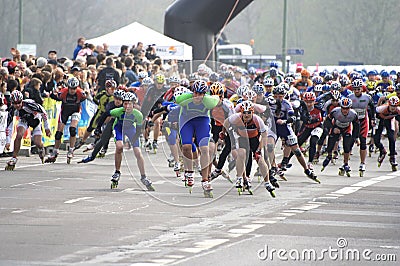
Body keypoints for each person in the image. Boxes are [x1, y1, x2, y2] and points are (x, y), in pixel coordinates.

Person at [223, 100, 277, 197]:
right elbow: (226, 122)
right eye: (244, 113)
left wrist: (259, 149)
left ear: (253, 112)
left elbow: (264, 136)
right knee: (241, 154)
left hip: (254, 139)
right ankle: (240, 178)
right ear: (241, 112)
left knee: (260, 159)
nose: (246, 115)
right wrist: (223, 133)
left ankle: (267, 182)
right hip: (242, 138)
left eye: (249, 113)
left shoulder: (257, 120)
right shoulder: (236, 117)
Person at [175, 80, 219, 198]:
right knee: (186, 146)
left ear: (205, 94)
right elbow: (177, 99)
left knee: (204, 149)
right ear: (192, 92)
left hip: (202, 121)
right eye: (195, 93)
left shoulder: (209, 101)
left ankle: (205, 180)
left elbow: (216, 100)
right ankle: (189, 172)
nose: (197, 96)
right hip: (187, 121)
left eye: (200, 94)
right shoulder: (185, 98)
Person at [103, 91, 154, 190]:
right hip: (119, 128)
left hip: (131, 130)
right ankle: (117, 172)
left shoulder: (138, 115)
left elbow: (138, 131)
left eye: (129, 103)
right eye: (125, 103)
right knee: (119, 147)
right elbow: (105, 115)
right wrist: (98, 128)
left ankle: (143, 177)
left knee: (138, 152)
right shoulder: (118, 111)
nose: (127, 106)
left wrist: (131, 141)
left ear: (133, 104)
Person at [5, 91, 51, 170]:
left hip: (35, 120)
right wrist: (8, 142)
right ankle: (14, 157)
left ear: (22, 100)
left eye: (19, 102)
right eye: (15, 103)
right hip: (24, 120)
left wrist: (47, 128)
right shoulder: (12, 110)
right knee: (19, 135)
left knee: (38, 143)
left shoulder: (30, 105)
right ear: (12, 102)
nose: (17, 105)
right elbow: (9, 126)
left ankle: (41, 148)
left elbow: (43, 113)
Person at [45, 77, 86, 163]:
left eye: (74, 89)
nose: (72, 91)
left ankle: (71, 150)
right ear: (68, 87)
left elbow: (86, 97)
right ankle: (55, 151)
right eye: (71, 88)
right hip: (65, 111)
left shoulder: (80, 93)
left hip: (76, 111)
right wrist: (52, 94)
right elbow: (56, 98)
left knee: (72, 129)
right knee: (59, 132)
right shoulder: (63, 92)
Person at [78, 89, 124, 163]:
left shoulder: (126, 105)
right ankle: (92, 156)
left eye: (120, 99)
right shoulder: (111, 105)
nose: (118, 101)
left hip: (125, 123)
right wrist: (98, 128)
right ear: (114, 98)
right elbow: (104, 116)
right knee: (103, 139)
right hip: (114, 122)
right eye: (116, 99)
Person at [321, 98, 360, 176]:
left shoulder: (353, 114)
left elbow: (357, 126)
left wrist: (356, 137)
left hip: (347, 129)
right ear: (340, 107)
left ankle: (346, 163)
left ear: (350, 108)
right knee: (330, 144)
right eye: (343, 108)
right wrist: (333, 127)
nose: (345, 110)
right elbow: (327, 121)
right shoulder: (335, 111)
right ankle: (329, 156)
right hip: (336, 127)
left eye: (347, 108)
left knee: (347, 147)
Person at [374, 96, 400, 170]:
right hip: (380, 119)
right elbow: (374, 112)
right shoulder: (381, 108)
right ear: (389, 104)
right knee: (376, 139)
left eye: (395, 106)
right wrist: (373, 121)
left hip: (389, 120)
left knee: (391, 138)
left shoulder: (398, 110)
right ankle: (382, 150)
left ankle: (392, 157)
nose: (393, 108)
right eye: (391, 106)